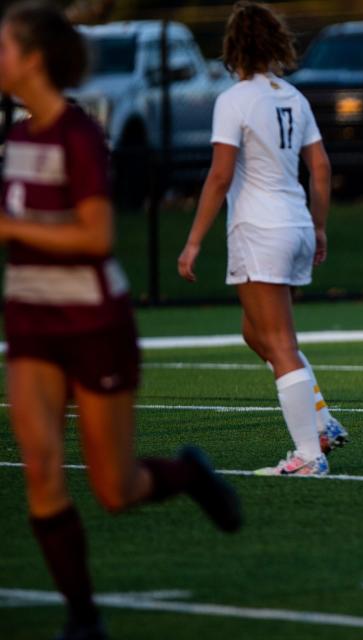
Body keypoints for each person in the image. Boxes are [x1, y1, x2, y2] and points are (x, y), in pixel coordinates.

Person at [0, 3, 242, 639]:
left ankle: (188, 472)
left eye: (4, 46)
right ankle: (84, 619)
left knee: (114, 488)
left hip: (93, 323)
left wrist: (11, 227)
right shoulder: (16, 139)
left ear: (33, 59)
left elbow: (96, 236)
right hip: (30, 324)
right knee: (42, 469)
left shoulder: (76, 136)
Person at [177, 1, 346, 477]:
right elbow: (321, 169)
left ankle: (310, 454)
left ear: (233, 47)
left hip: (259, 229)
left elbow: (219, 175)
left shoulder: (234, 99)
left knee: (276, 339)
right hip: (292, 224)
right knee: (257, 333)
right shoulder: (292, 96)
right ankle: (322, 423)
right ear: (275, 42)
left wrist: (193, 243)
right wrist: (316, 226)